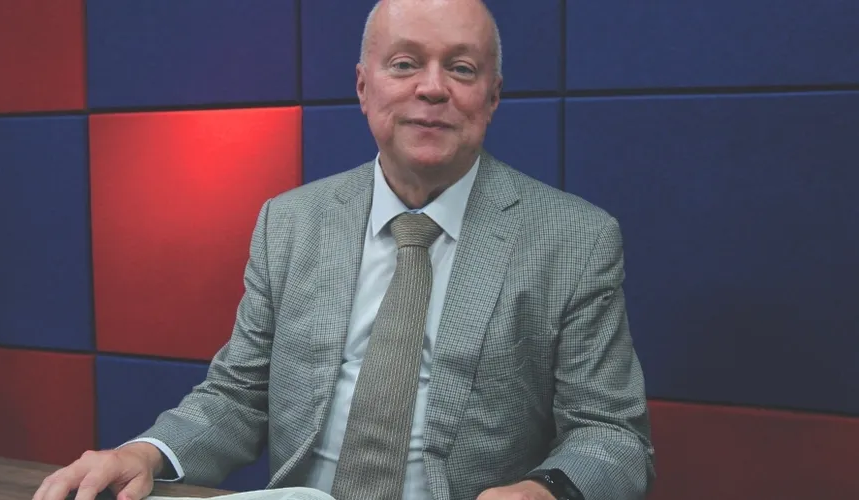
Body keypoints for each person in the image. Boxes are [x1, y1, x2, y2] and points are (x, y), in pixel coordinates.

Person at [33, 0, 655, 499]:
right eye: (405, 64)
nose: (432, 88)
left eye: (462, 69)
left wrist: (543, 491)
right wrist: (144, 453)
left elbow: (613, 436)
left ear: (492, 97)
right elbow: (238, 396)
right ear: (363, 87)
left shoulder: (574, 240)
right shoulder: (290, 222)